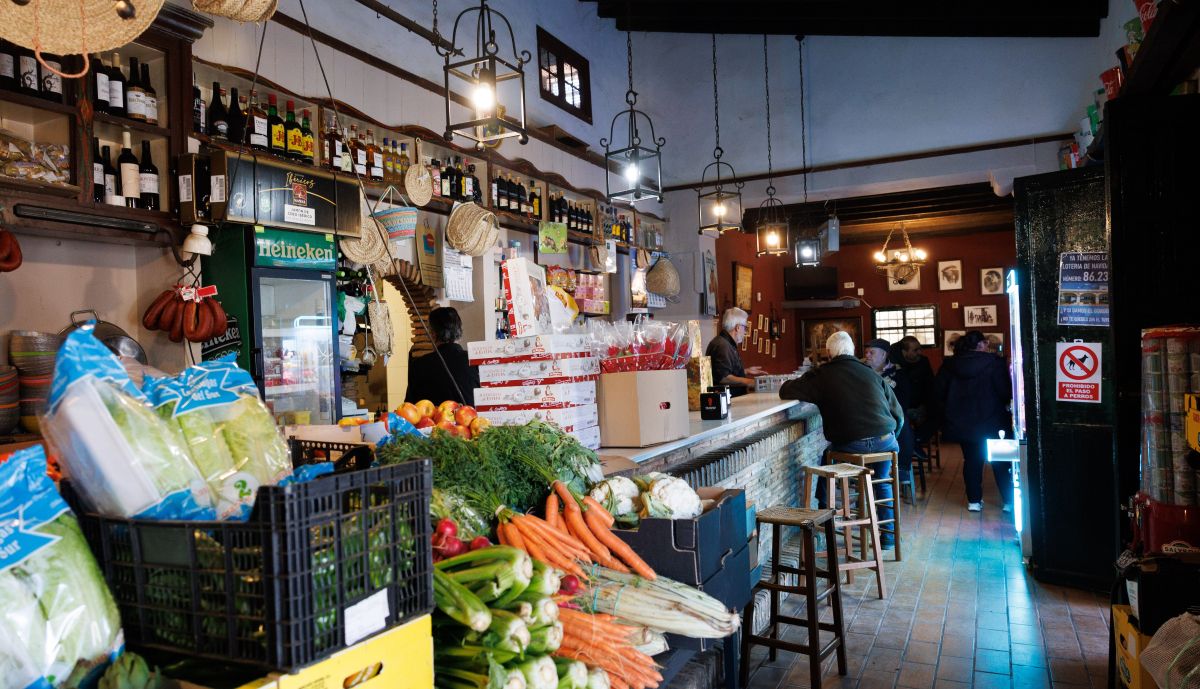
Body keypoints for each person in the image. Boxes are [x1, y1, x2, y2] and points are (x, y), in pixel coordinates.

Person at [780, 331, 904, 546]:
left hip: (851, 444)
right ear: (853, 350)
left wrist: (811, 375)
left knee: (828, 458)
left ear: (829, 352)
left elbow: (786, 390)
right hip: (886, 440)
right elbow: (898, 415)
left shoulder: (823, 374)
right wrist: (888, 440)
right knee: (881, 479)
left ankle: (824, 519)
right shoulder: (872, 373)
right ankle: (888, 537)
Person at [935, 330, 1013, 513]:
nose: (987, 346)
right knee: (1000, 461)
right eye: (985, 343)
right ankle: (1009, 501)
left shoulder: (949, 365)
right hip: (993, 420)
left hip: (963, 422)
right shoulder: (995, 363)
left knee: (971, 460)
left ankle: (974, 501)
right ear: (981, 345)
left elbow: (938, 393)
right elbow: (1004, 391)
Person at [405, 307, 480, 406]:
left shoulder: (419, 365)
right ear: (460, 331)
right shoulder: (475, 361)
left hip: (432, 421)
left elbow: (409, 407)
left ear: (433, 334)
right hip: (471, 420)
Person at [706, 307, 765, 397]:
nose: (745, 332)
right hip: (729, 402)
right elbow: (723, 378)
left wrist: (745, 371)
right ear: (738, 327)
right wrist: (751, 382)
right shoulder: (723, 345)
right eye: (745, 328)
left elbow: (723, 371)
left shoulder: (724, 342)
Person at [898, 335, 936, 445]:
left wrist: (925, 405)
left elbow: (930, 385)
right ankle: (911, 443)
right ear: (904, 352)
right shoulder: (895, 363)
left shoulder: (923, 361)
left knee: (936, 412)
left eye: (920, 349)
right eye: (915, 350)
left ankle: (916, 441)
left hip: (921, 403)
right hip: (903, 406)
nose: (919, 352)